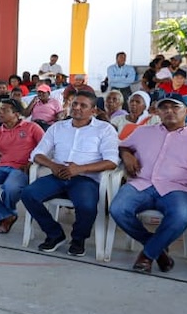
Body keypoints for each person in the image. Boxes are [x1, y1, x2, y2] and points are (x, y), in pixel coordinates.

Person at [110, 98, 187, 273]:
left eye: (175, 107)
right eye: (164, 108)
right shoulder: (143, 132)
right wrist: (126, 154)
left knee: (181, 216)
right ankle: (158, 250)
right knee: (117, 209)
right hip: (141, 183)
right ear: (158, 112)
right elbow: (122, 146)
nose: (169, 111)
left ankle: (147, 255)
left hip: (176, 189)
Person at [20, 91, 119, 257]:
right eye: (74, 104)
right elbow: (37, 154)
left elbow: (111, 161)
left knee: (87, 206)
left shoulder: (105, 129)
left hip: (85, 178)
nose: (77, 108)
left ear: (93, 110)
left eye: (83, 105)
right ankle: (54, 234)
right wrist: (53, 165)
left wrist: (79, 169)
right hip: (57, 174)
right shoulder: (58, 127)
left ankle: (78, 239)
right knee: (28, 194)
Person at [0, 98, 44, 234]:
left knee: (11, 187)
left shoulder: (32, 127)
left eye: (5, 110)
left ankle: (5, 215)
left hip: (22, 168)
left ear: (16, 114)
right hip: (3, 166)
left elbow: (46, 146)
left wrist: (33, 161)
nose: (0, 113)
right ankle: (5, 215)